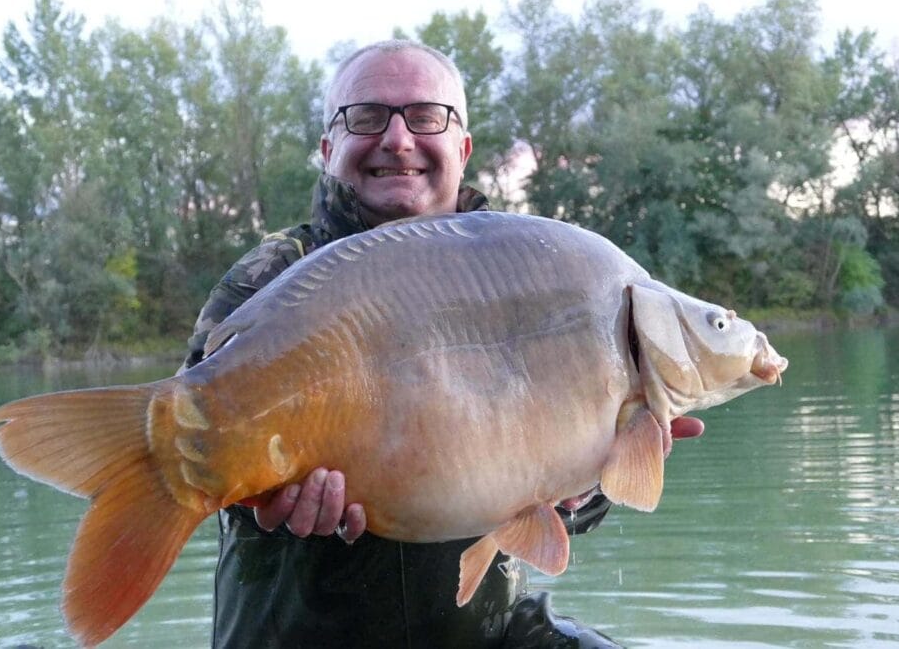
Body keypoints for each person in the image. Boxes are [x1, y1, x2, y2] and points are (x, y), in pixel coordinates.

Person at [182, 40, 704, 649]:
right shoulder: (270, 277)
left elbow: (569, 515)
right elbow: (202, 448)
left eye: (426, 116)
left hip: (482, 632)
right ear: (328, 150)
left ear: (462, 147)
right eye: (367, 117)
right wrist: (263, 499)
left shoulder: (533, 270)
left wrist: (587, 480)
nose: (398, 140)